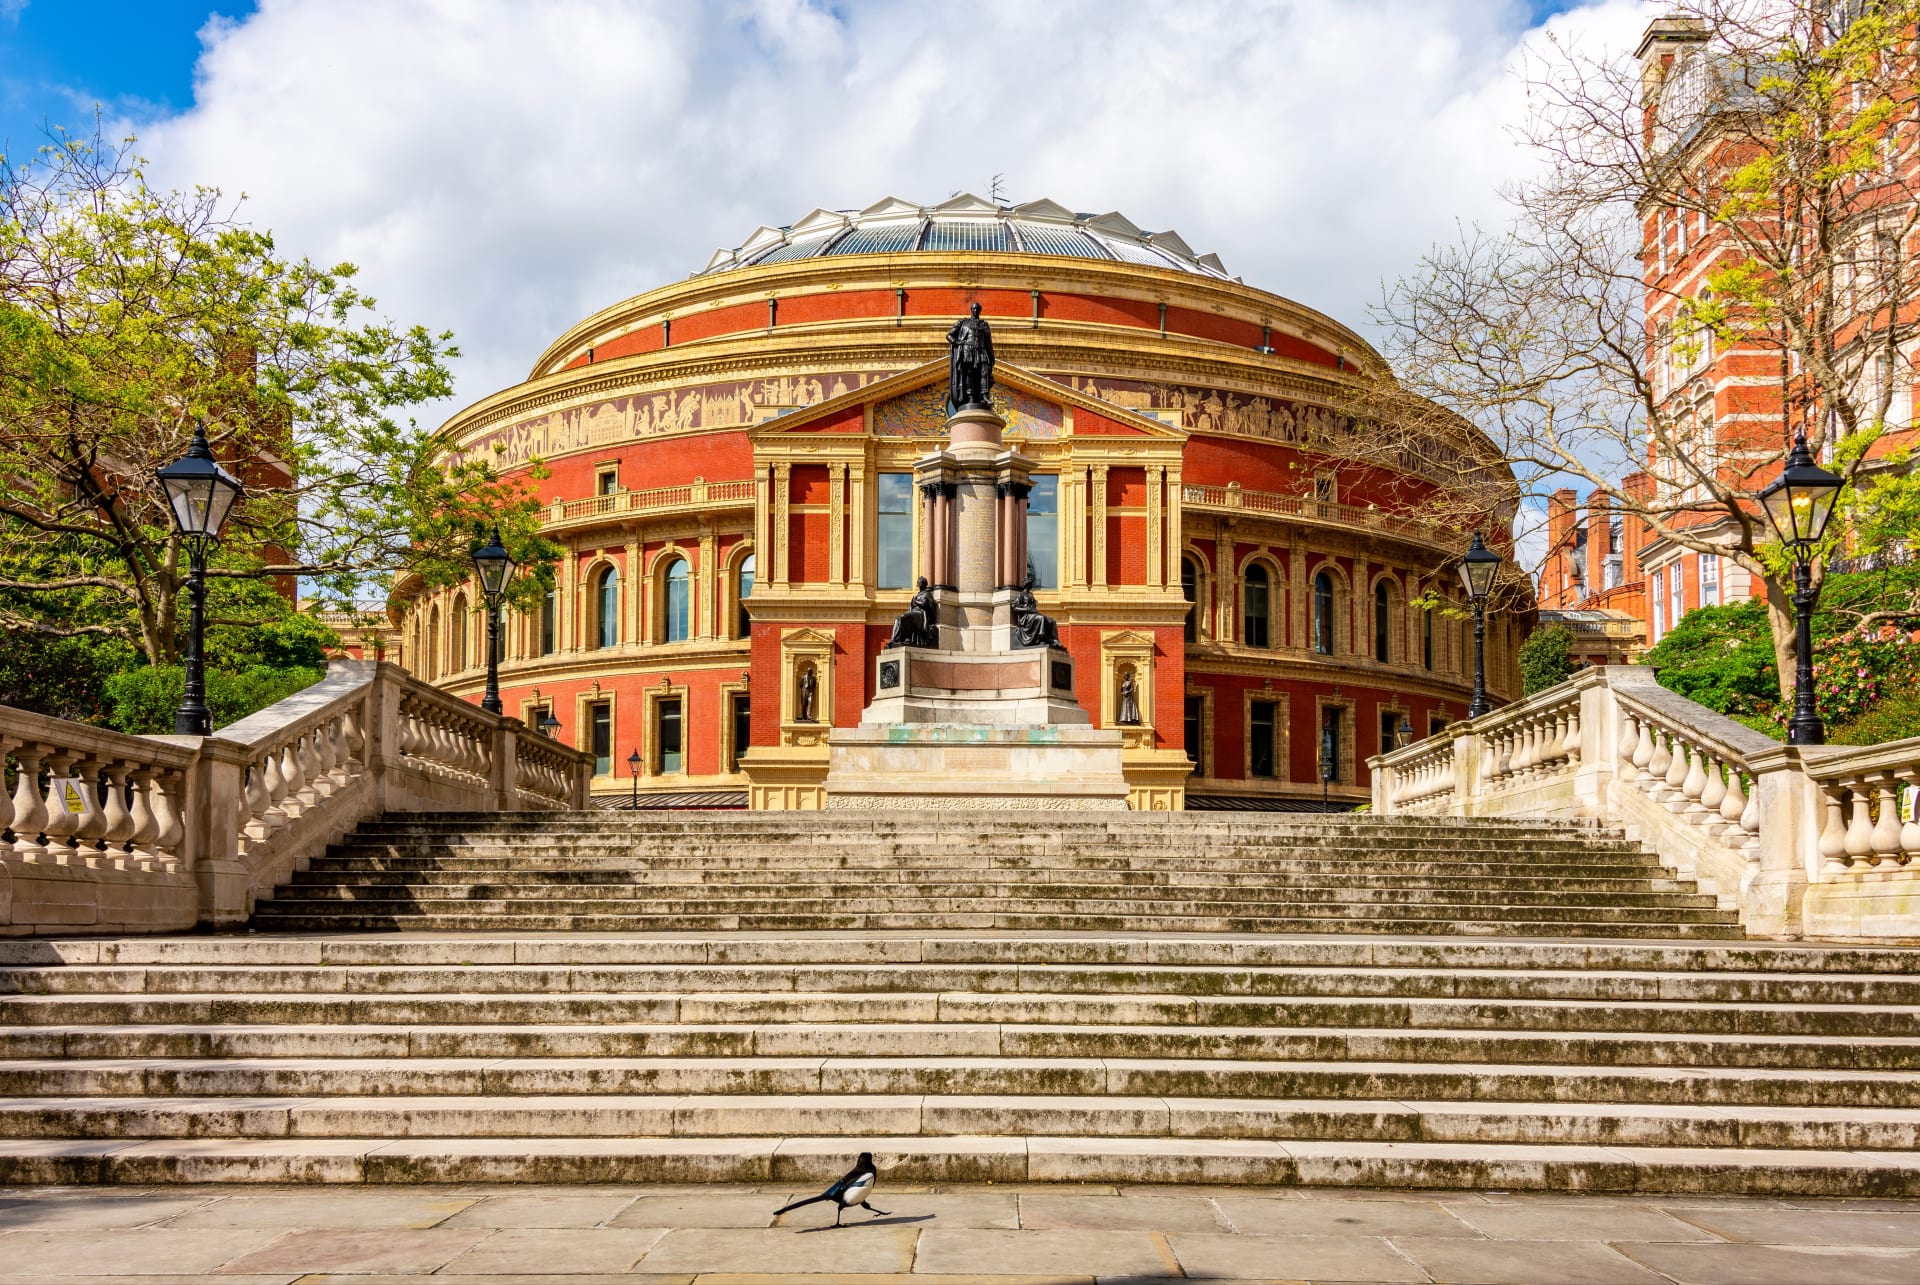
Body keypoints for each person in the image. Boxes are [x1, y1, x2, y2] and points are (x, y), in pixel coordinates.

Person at [887, 577, 938, 649]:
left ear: (924, 584)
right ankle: (894, 640)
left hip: (920, 614)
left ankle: (897, 639)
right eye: (919, 582)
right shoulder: (918, 595)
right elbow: (912, 606)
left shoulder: (926, 594)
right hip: (913, 612)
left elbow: (924, 604)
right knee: (898, 618)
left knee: (904, 617)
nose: (919, 584)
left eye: (920, 582)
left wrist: (915, 601)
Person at [1011, 575, 1058, 649]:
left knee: (1052, 621)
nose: (1032, 586)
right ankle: (1041, 637)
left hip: (1034, 614)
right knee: (1041, 618)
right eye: (1030, 584)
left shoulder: (1031, 595)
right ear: (1027, 585)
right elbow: (1014, 607)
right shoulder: (1021, 595)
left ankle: (1055, 640)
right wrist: (1026, 609)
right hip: (1026, 617)